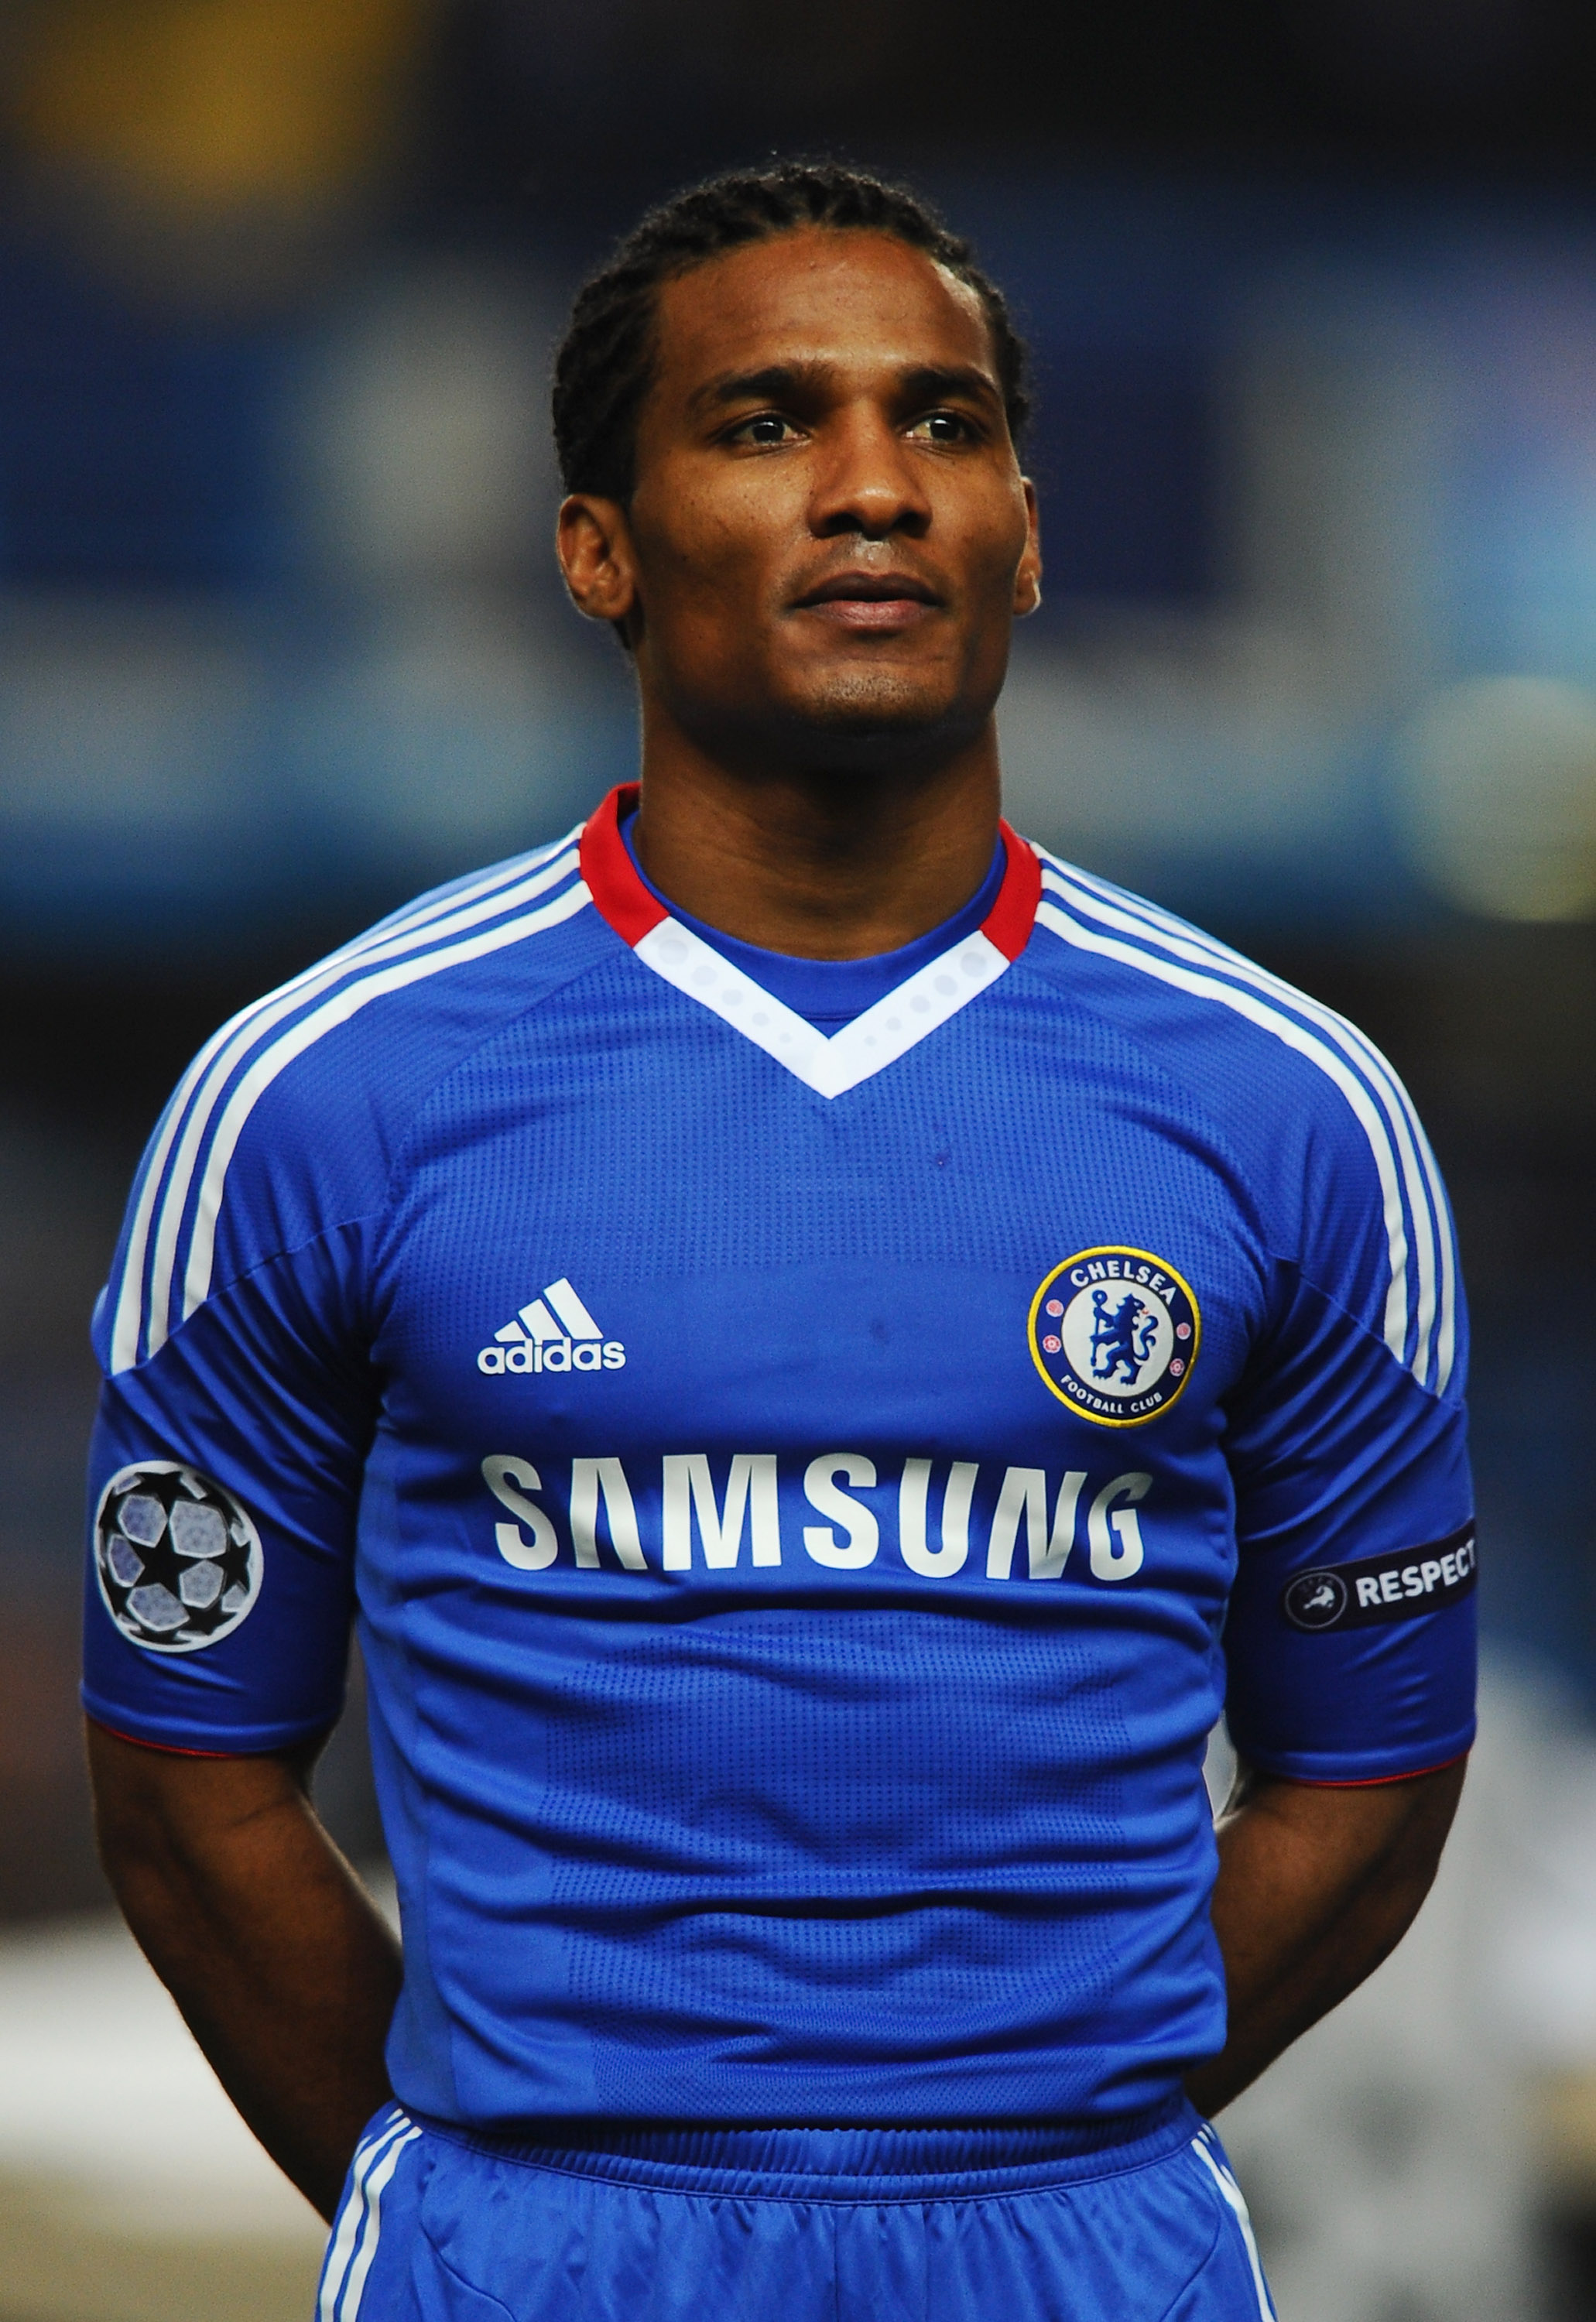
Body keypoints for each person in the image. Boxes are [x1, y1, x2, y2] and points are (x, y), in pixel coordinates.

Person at [82, 163, 1475, 2322]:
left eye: (943, 425)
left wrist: (1050, 2114)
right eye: (765, 426)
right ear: (598, 554)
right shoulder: (324, 1092)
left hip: (1086, 2244)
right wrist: (459, 2174)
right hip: (529, 2242)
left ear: (1027, 527)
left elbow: (1374, 1770)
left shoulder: (1293, 1109)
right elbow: (186, 1786)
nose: (872, 491)